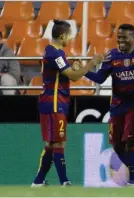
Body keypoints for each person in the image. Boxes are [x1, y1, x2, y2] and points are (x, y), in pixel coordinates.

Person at [31, 19, 107, 187]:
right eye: (70, 36)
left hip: (54, 102)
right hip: (54, 103)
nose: (71, 39)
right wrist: (91, 64)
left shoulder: (54, 52)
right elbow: (73, 76)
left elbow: (67, 73)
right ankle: (64, 181)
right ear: (63, 35)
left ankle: (38, 181)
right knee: (58, 142)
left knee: (52, 143)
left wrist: (75, 66)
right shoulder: (55, 54)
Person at [84, 24, 134, 186]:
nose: (120, 40)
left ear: (133, 38)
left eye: (124, 37)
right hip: (117, 104)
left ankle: (132, 182)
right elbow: (100, 79)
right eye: (118, 37)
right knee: (117, 145)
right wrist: (83, 71)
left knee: (130, 142)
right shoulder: (112, 56)